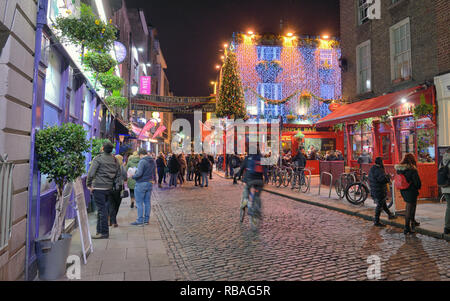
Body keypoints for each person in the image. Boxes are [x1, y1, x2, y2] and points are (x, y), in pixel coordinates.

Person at [87, 142, 121, 239]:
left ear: (102, 148)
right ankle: (99, 231)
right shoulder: (115, 160)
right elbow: (118, 174)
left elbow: (91, 173)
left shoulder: (98, 159)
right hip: (109, 188)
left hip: (98, 187)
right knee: (102, 209)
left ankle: (104, 233)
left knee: (102, 210)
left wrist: (89, 184)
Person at [395, 153, 422, 234]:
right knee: (410, 207)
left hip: (403, 190)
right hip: (411, 190)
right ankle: (407, 227)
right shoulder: (412, 170)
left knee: (411, 206)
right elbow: (417, 182)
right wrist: (418, 187)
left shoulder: (400, 169)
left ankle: (413, 221)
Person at [237, 150, 265, 225]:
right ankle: (258, 209)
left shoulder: (248, 157)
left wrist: (238, 176)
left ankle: (245, 200)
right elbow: (265, 169)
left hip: (250, 180)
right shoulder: (261, 157)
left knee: (246, 188)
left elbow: (242, 168)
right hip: (259, 181)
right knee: (257, 196)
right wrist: (266, 178)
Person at [131, 149, 157, 226]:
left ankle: (139, 221)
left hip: (141, 183)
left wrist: (133, 176)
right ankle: (146, 220)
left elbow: (139, 173)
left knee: (139, 203)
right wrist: (154, 180)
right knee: (147, 202)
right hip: (149, 183)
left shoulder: (142, 161)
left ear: (141, 154)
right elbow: (154, 172)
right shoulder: (152, 161)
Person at [368, 157, 396, 227]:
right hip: (379, 189)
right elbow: (382, 179)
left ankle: (390, 215)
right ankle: (376, 221)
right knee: (380, 205)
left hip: (375, 188)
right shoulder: (378, 169)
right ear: (381, 162)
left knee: (383, 203)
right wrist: (388, 177)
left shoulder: (373, 168)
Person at [108, 155, 127, 228]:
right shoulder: (122, 167)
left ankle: (112, 221)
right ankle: (113, 220)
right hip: (119, 187)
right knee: (117, 204)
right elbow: (125, 177)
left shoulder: (109, 166)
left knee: (111, 204)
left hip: (109, 187)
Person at [441, 148, 450, 234]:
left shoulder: (442, 160)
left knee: (449, 207)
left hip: (444, 187)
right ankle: (447, 227)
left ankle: (447, 227)